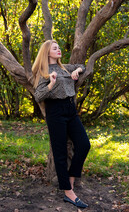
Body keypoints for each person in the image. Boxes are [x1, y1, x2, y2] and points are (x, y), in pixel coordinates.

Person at [32, 40, 90, 209]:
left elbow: (82, 66)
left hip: (70, 109)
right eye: (55, 48)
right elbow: (38, 96)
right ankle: (68, 192)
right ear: (47, 52)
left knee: (84, 145)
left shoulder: (65, 67)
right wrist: (51, 83)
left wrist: (77, 72)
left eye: (58, 48)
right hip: (55, 111)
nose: (58, 50)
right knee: (60, 152)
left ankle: (70, 180)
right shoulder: (43, 72)